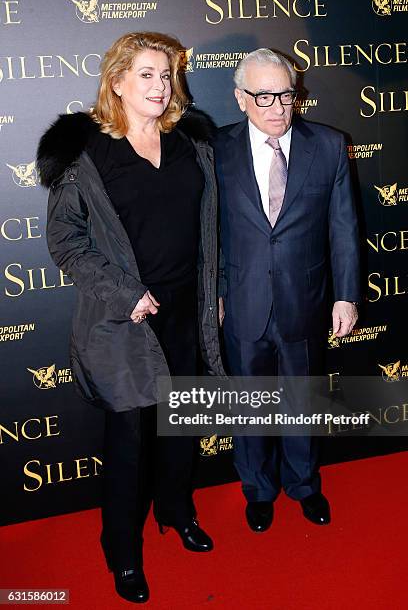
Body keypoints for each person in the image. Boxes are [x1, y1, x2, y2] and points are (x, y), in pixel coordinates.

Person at [37, 31, 224, 604]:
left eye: (166, 74)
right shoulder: (88, 153)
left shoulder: (193, 143)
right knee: (128, 441)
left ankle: (175, 510)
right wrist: (125, 294)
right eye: (146, 74)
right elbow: (65, 240)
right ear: (116, 81)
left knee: (179, 429)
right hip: (123, 320)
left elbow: (208, 230)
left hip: (185, 312)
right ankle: (122, 551)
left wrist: (211, 292)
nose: (160, 85)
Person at [214, 49, 360, 533]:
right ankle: (258, 489)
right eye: (263, 96)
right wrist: (213, 293)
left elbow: (343, 227)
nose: (277, 106)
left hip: (307, 300)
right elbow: (207, 233)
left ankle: (304, 485)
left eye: (286, 94)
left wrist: (346, 295)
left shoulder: (330, 146)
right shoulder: (216, 150)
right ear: (240, 98)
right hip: (242, 303)